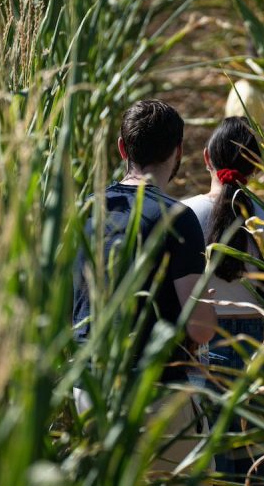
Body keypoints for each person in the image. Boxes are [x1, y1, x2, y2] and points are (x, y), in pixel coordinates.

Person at [72, 99, 217, 473]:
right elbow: (200, 328)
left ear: (123, 148)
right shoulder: (176, 218)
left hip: (91, 393)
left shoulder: (85, 210)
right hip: (156, 397)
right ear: (178, 152)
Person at [182, 116, 264, 478]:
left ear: (206, 158)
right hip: (261, 346)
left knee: (216, 464)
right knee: (256, 465)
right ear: (256, 167)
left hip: (206, 345)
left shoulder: (185, 214)